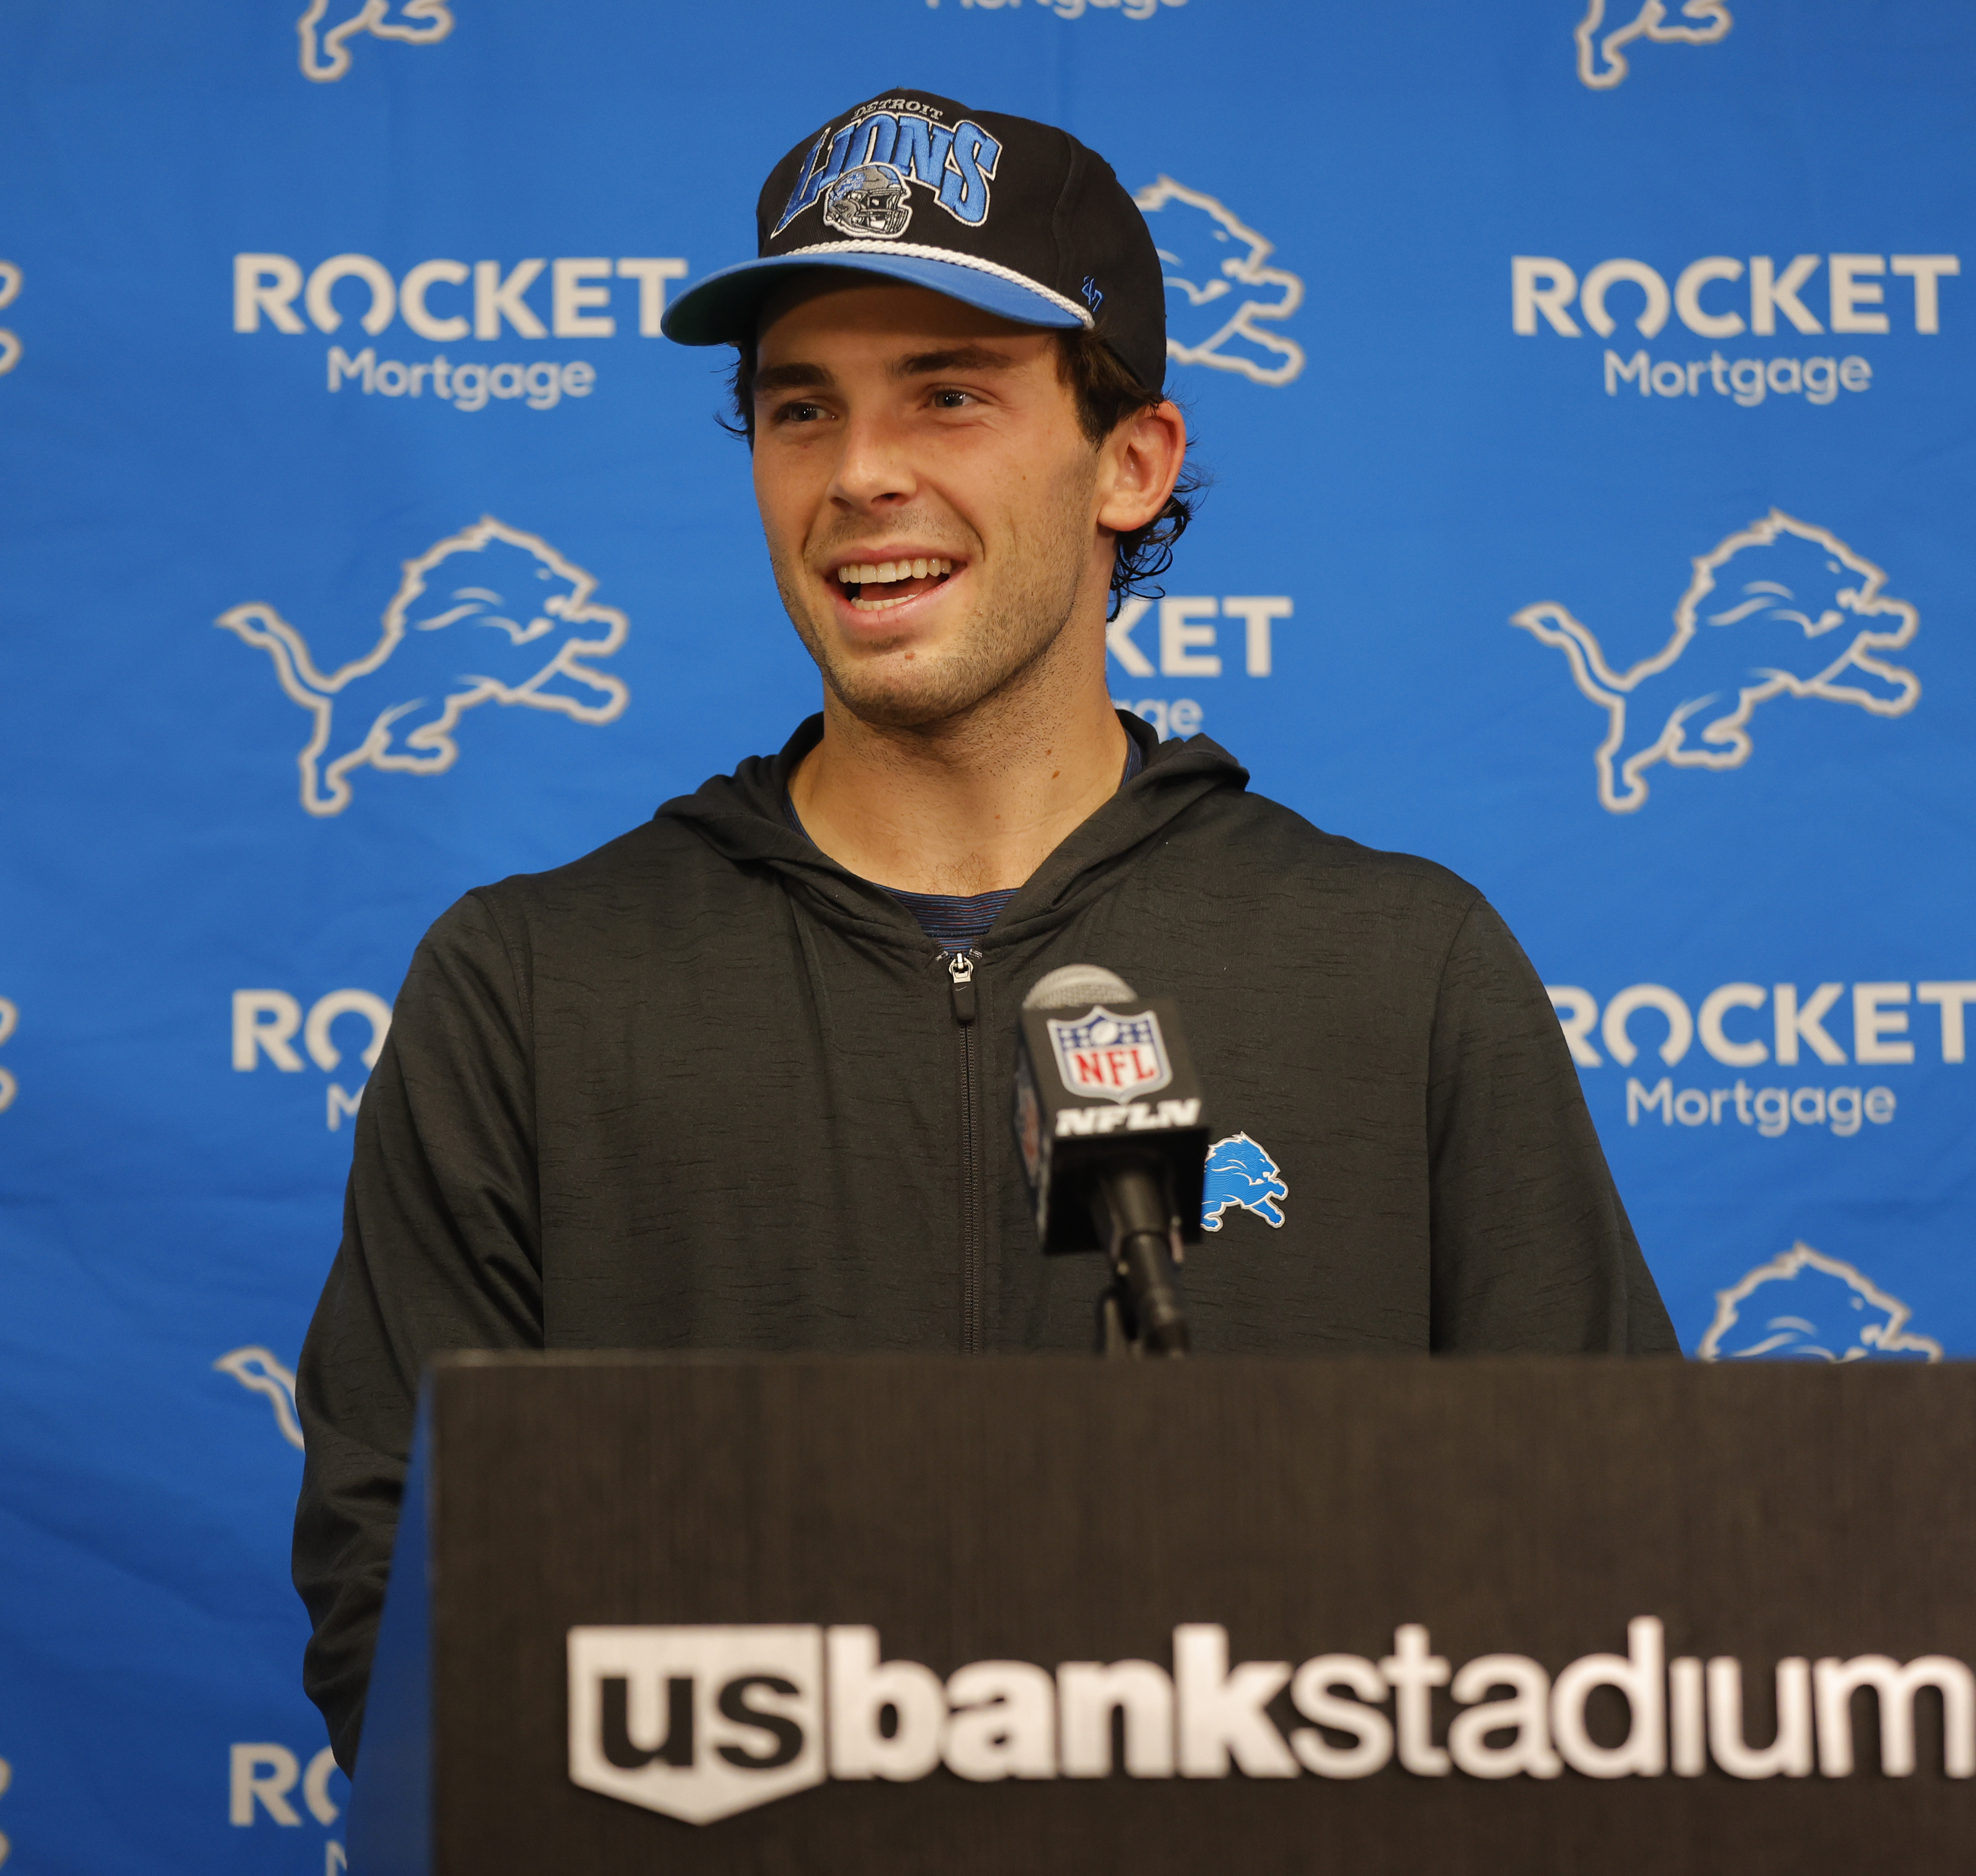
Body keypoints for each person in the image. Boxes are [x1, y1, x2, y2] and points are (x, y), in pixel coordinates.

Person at [291, 87, 1677, 1770]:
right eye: (801, 410)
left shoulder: (1402, 968)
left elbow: (1606, 1597)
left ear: (1130, 461)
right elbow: (404, 1603)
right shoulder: (528, 987)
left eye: (949, 395)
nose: (861, 474)